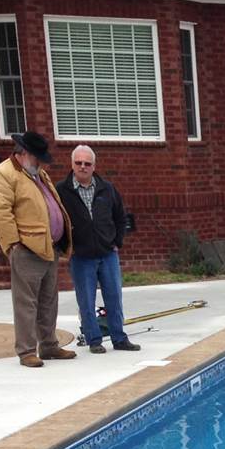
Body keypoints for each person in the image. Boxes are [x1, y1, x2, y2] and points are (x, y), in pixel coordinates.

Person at [0, 130, 75, 369]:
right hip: (26, 249)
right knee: (26, 303)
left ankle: (49, 345)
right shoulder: (3, 174)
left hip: (48, 247)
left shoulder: (36, 174)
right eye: (38, 158)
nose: (42, 162)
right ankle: (26, 351)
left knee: (48, 300)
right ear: (24, 153)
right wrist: (14, 244)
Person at [57, 145, 140, 354]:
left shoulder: (107, 189)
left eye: (87, 163)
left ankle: (119, 338)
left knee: (114, 297)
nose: (83, 167)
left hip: (107, 253)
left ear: (94, 166)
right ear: (72, 164)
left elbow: (120, 217)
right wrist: (66, 247)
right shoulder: (61, 191)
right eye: (78, 163)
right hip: (81, 256)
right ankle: (94, 340)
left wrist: (116, 242)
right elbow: (56, 222)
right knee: (86, 300)